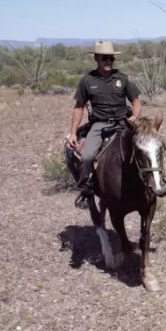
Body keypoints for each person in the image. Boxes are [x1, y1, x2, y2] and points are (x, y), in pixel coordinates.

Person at [66, 40, 141, 208]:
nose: (108, 62)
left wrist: (134, 117)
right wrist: (72, 133)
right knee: (86, 156)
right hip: (100, 125)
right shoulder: (87, 81)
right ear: (97, 59)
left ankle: (153, 183)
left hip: (123, 123)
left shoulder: (122, 78)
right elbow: (79, 108)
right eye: (104, 58)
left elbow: (135, 101)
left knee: (147, 147)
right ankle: (87, 190)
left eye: (111, 59)